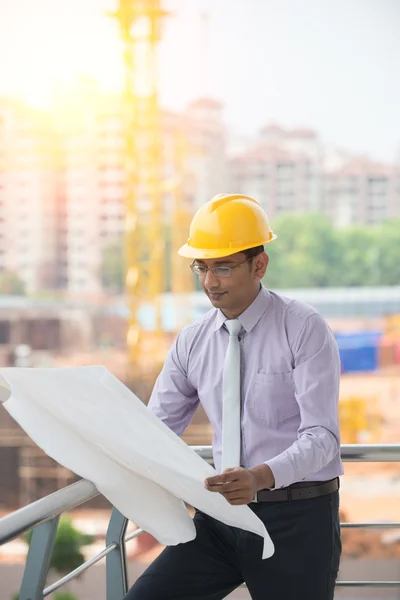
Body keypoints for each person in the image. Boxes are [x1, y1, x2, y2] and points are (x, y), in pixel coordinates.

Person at [124, 193, 343, 600]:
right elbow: (155, 428)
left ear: (258, 265)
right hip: (219, 520)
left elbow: (323, 437)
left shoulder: (303, 328)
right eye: (201, 268)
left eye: (222, 267)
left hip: (296, 519)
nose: (209, 282)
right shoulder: (192, 340)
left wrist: (260, 477)